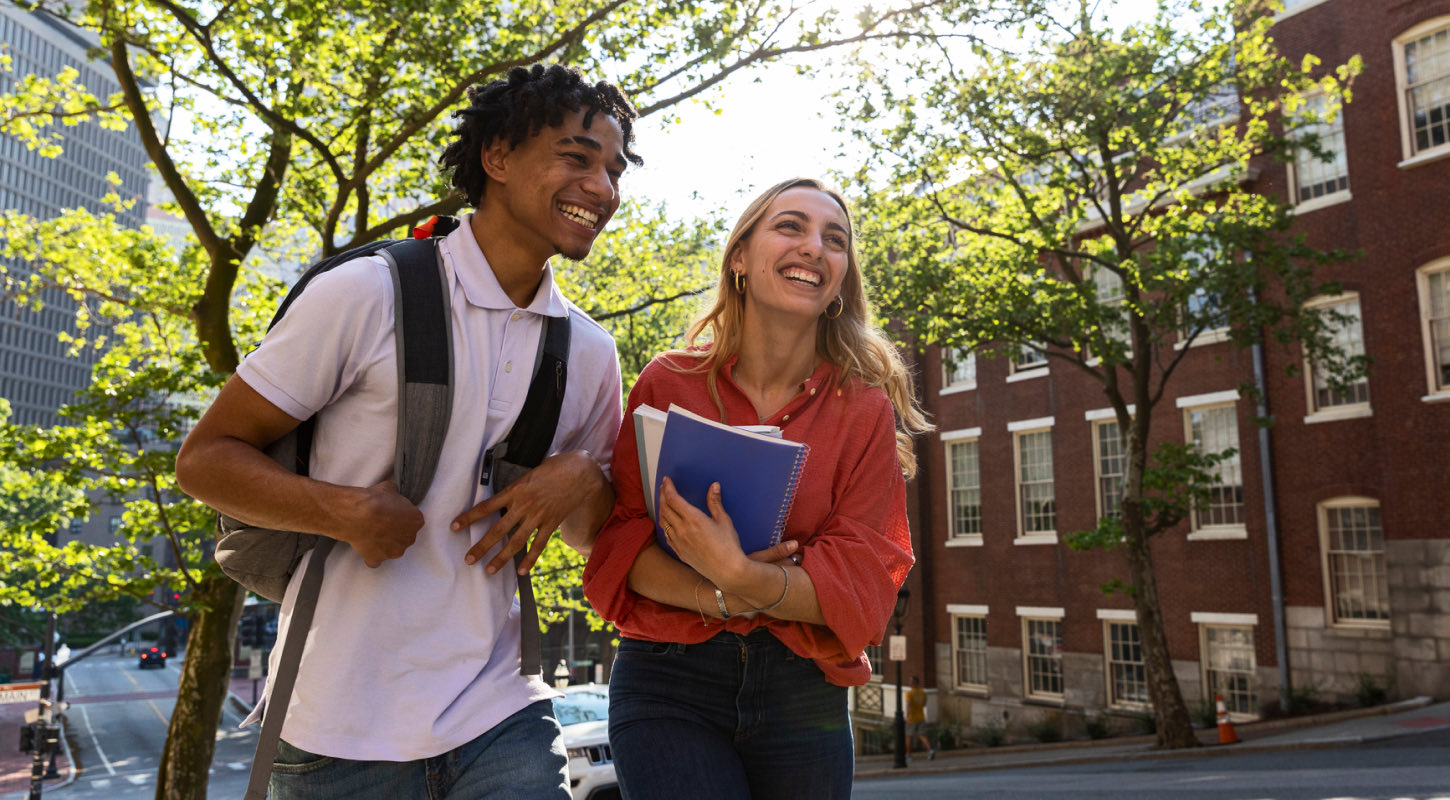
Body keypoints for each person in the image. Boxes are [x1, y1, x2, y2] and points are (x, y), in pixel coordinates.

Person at [175, 64, 642, 799]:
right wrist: (341, 509)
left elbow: (591, 534)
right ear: (497, 157)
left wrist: (584, 474)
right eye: (576, 157)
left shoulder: (587, 352)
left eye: (613, 170)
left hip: (501, 709)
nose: (602, 188)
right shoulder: (366, 294)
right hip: (336, 726)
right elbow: (204, 461)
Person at [582, 177, 932, 799]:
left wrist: (742, 579)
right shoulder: (668, 382)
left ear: (840, 283)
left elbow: (862, 575)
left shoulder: (863, 410)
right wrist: (716, 592)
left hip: (804, 691)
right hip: (669, 680)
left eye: (835, 239)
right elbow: (624, 538)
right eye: (790, 226)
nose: (813, 248)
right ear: (740, 258)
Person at [906, 675, 934, 761]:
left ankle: (909, 755)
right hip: (921, 717)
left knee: (908, 736)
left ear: (912, 683)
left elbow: (908, 705)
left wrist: (907, 717)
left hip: (912, 718)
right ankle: (930, 750)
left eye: (910, 681)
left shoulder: (909, 693)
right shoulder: (922, 692)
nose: (909, 683)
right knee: (922, 735)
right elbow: (924, 704)